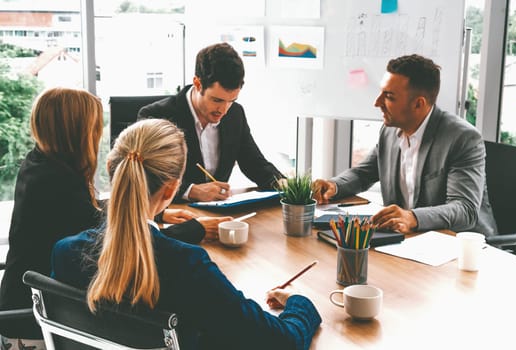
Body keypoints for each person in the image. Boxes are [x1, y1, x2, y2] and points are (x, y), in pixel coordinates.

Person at [51, 119, 321, 349]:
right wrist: (300, 303)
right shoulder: (186, 266)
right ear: (171, 190)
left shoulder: (65, 252)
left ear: (112, 170)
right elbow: (281, 343)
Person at [313, 54, 498, 236]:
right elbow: (363, 174)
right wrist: (333, 186)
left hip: (459, 248)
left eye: (389, 97)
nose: (377, 103)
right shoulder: (390, 131)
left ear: (418, 104)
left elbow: (465, 210)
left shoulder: (462, 138)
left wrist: (413, 218)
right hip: (407, 241)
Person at [0, 87, 104, 349]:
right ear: (77, 132)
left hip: (21, 303)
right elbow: (113, 240)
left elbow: (89, 216)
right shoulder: (59, 184)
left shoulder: (39, 164)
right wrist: (192, 230)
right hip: (35, 321)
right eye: (94, 128)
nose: (98, 136)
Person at [138, 42, 285, 203]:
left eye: (231, 101)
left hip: (220, 218)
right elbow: (146, 175)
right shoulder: (156, 116)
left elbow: (256, 165)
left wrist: (292, 187)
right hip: (174, 216)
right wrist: (191, 191)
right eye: (217, 100)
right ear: (198, 84)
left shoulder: (235, 114)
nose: (223, 110)